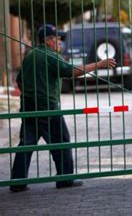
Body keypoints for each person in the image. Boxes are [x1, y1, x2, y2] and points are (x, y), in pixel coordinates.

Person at [10, 24, 116, 192]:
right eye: (57, 39)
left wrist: (32, 94)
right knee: (61, 141)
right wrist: (98, 64)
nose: (59, 42)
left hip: (29, 107)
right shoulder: (51, 56)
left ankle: (17, 181)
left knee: (26, 144)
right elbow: (72, 71)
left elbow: (19, 80)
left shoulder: (30, 56)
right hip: (48, 108)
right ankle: (65, 179)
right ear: (47, 40)